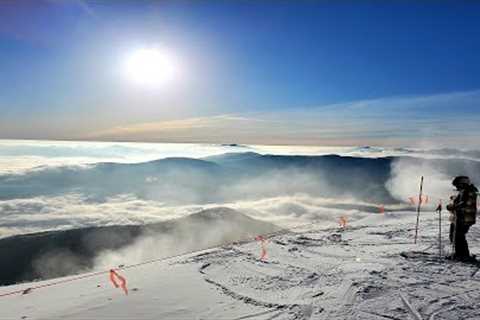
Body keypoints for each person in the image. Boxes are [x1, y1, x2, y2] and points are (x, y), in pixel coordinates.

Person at [446, 176, 478, 261]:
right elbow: (460, 201)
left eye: (457, 185)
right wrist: (453, 200)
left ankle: (462, 255)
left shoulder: (469, 191)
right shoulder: (465, 191)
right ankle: (461, 253)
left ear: (462, 184)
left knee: (458, 236)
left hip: (465, 218)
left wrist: (453, 207)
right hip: (460, 217)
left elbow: (464, 203)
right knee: (455, 235)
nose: (457, 188)